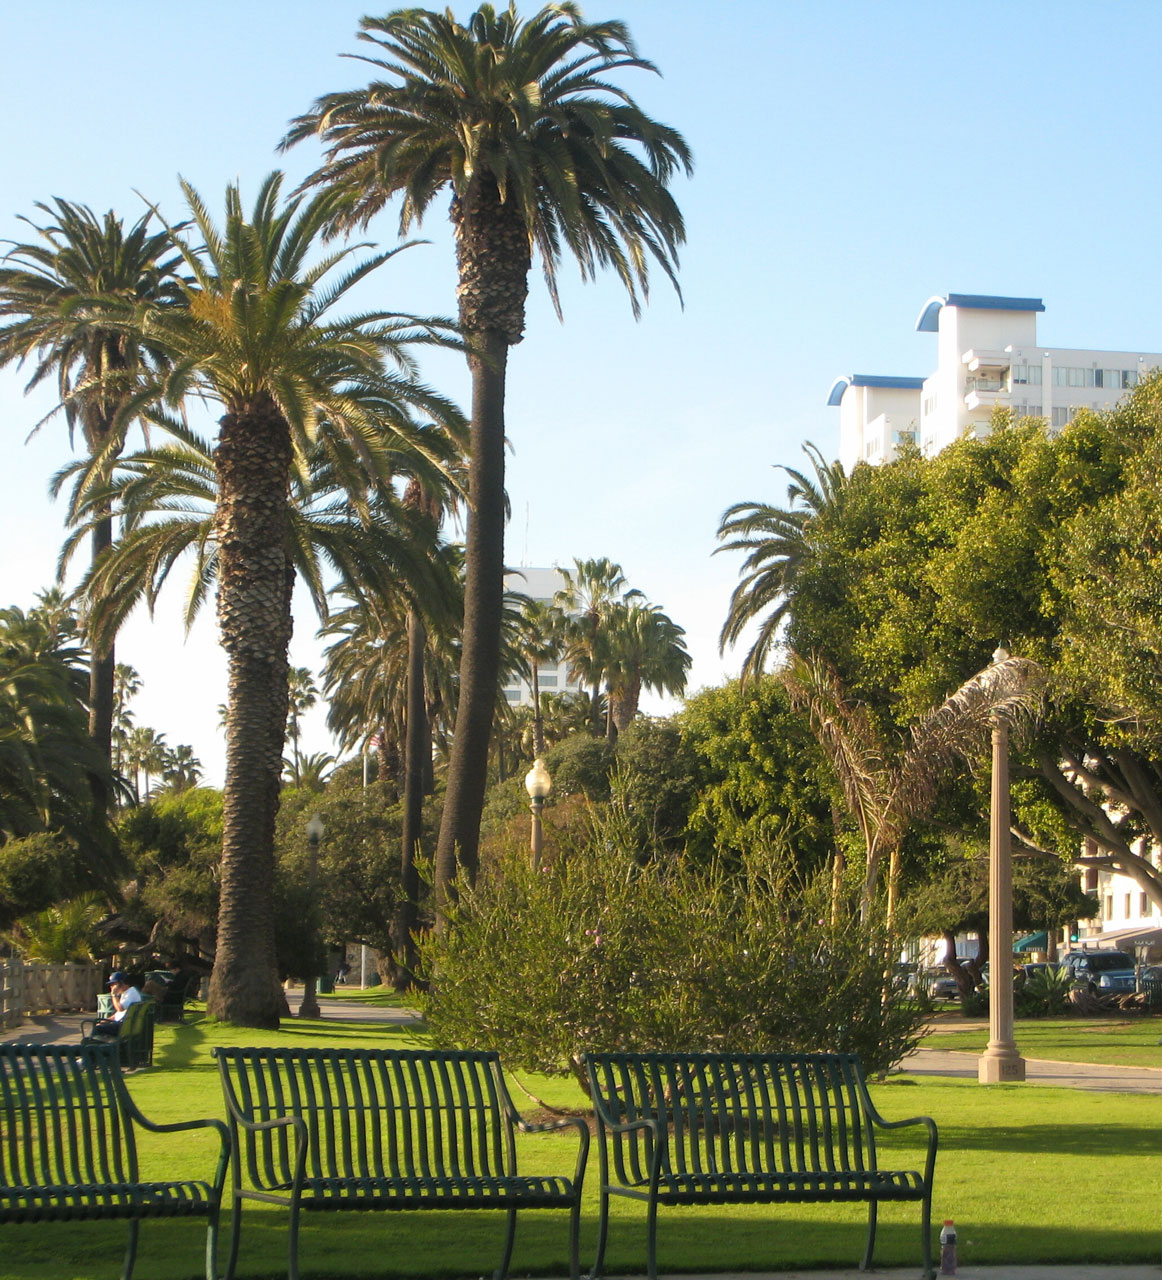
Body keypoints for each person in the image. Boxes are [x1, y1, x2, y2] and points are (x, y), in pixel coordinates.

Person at [90, 971, 142, 1037]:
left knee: (98, 1029)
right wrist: (106, 1020)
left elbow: (120, 1008)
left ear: (122, 983)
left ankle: (88, 1045)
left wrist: (114, 995)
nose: (111, 988)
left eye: (113, 984)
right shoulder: (126, 993)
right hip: (123, 1025)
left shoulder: (131, 993)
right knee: (99, 1025)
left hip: (123, 1027)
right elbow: (119, 1014)